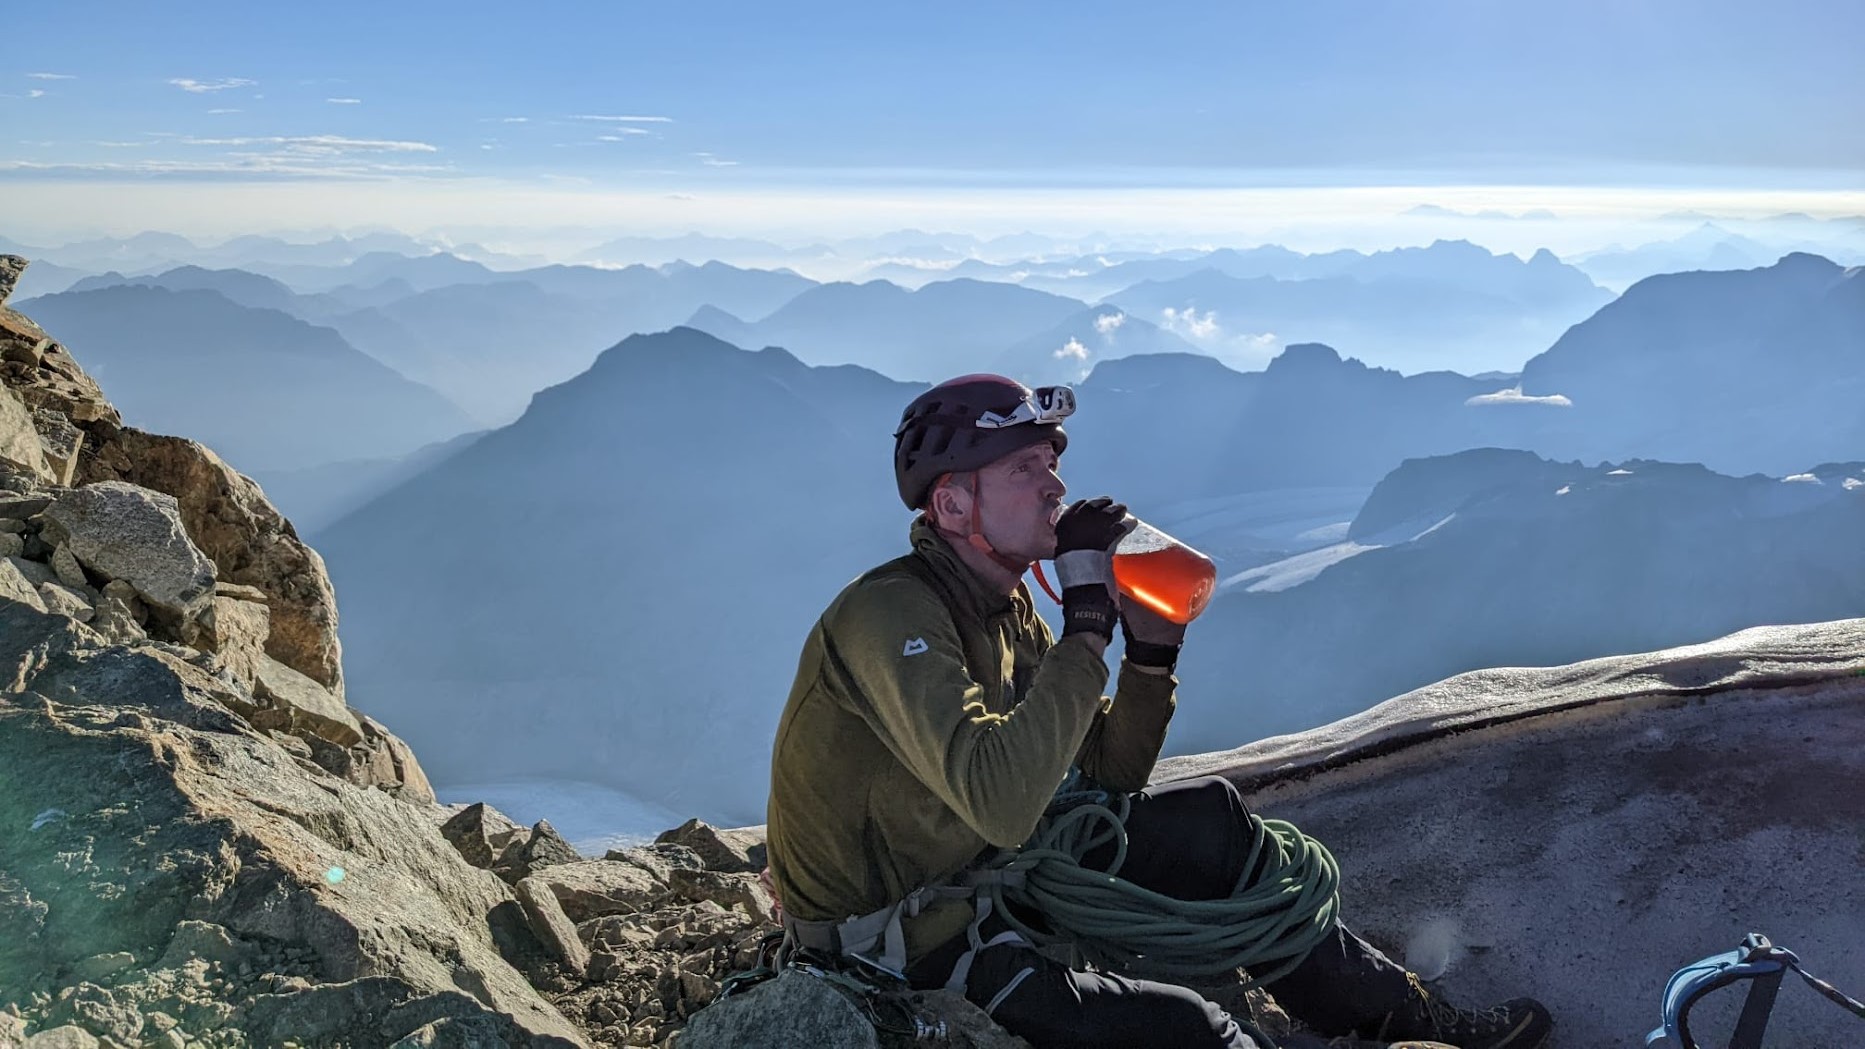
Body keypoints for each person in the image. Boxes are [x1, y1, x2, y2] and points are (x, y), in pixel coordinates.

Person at [764, 374, 1554, 1049]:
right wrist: (1086, 622)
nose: (1054, 487)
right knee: (1188, 1027)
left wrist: (1149, 655)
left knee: (1212, 821)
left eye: (1051, 463)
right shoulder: (889, 614)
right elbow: (1000, 802)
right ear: (951, 501)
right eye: (1023, 467)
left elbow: (1112, 773)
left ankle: (1404, 1017)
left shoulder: (1004, 610)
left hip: (981, 878)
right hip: (899, 941)